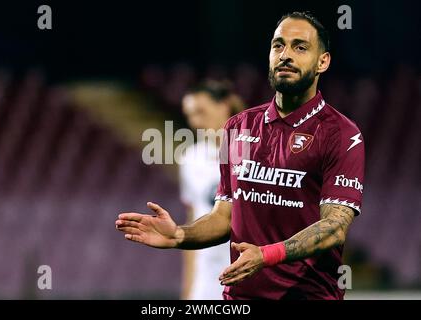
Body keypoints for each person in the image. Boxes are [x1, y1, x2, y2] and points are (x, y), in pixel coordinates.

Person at [116, 11, 365, 300]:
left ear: (323, 61)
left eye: (300, 47)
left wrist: (267, 255)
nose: (285, 54)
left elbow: (334, 228)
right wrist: (179, 235)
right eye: (278, 45)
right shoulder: (237, 127)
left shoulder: (342, 134)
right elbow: (224, 217)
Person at [179, 81, 244, 299]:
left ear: (224, 106)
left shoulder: (257, 152)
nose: (195, 121)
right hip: (207, 278)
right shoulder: (191, 158)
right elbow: (193, 218)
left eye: (201, 112)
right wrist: (189, 288)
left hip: (247, 271)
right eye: (190, 115)